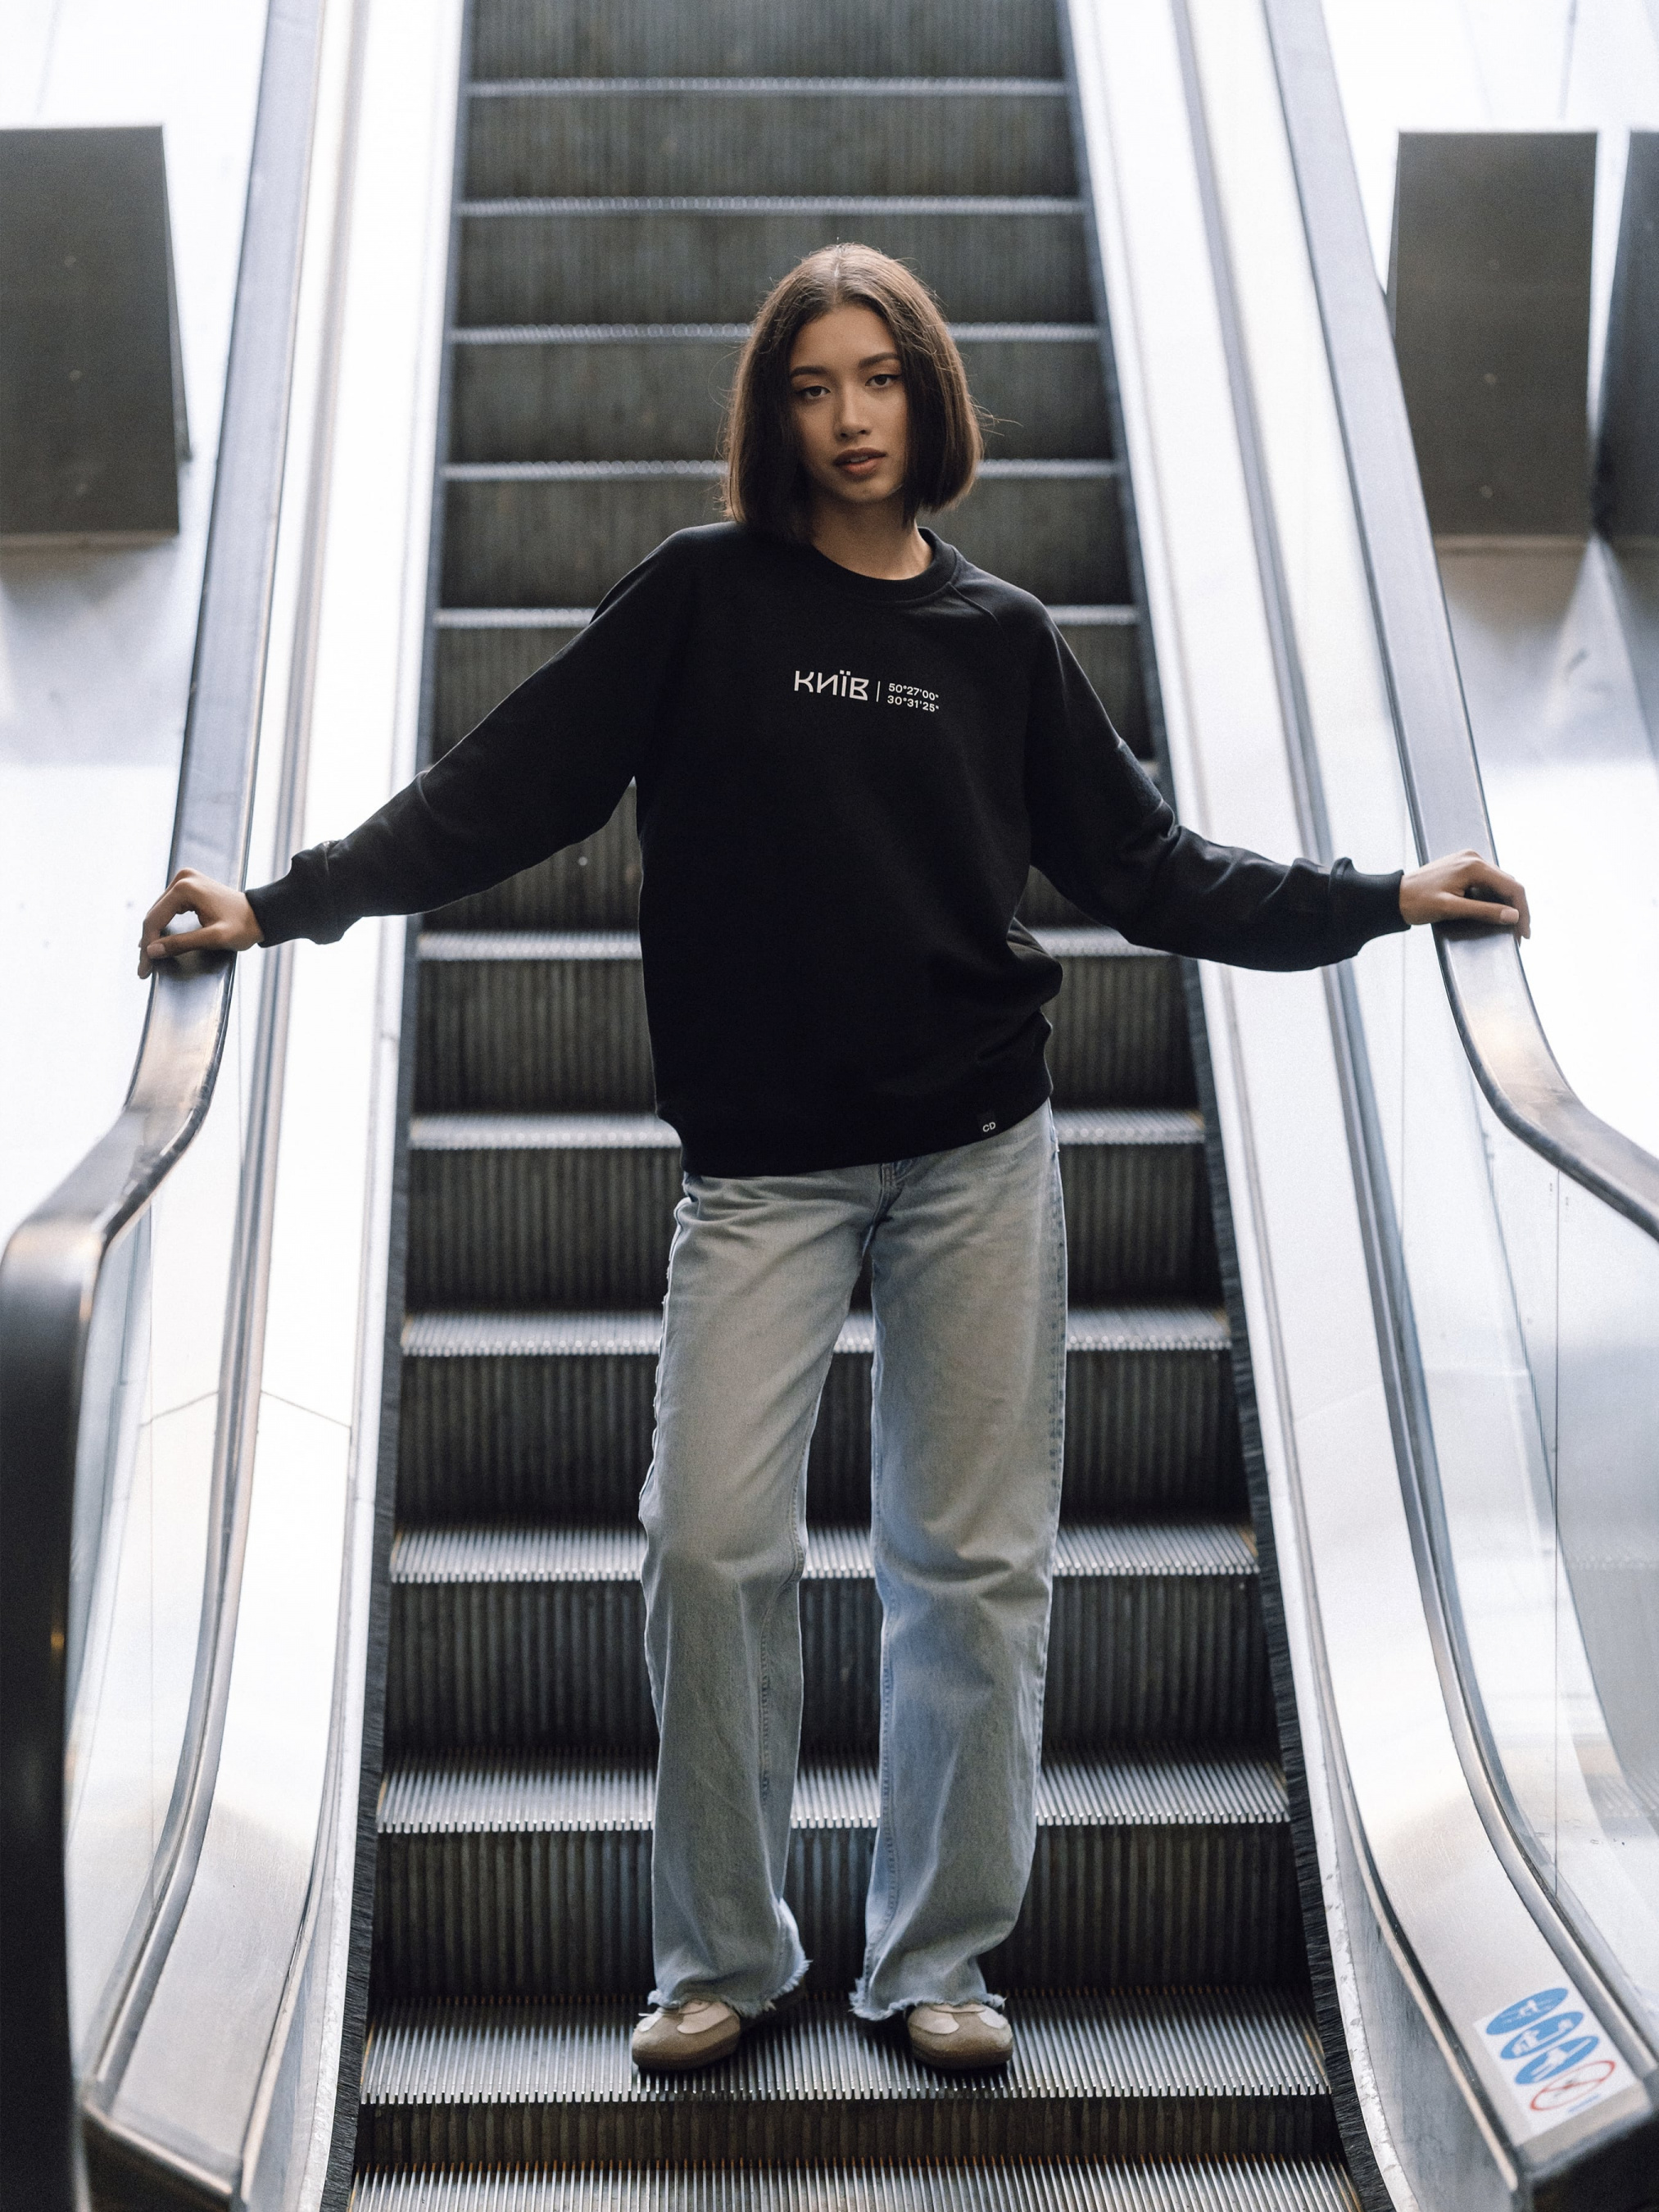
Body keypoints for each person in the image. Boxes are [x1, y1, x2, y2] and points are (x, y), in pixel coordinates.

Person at [138, 243, 1529, 2077]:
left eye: (877, 379)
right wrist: (281, 902)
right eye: (811, 387)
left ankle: (935, 1961)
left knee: (971, 1567)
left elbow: (1149, 870)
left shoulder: (1000, 640)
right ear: (772, 415)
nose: (849, 418)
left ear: (928, 395)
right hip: (764, 1175)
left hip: (975, 1153)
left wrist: (1381, 898)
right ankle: (721, 1955)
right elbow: (510, 783)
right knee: (711, 1545)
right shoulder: (703, 596)